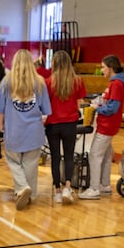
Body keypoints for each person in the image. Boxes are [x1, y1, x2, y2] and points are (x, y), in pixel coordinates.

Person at [0, 49, 52, 210]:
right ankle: (30, 195)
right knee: (31, 164)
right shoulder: (40, 82)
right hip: (34, 130)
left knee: (13, 161)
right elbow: (46, 109)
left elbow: (1, 109)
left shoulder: (6, 82)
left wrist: (1, 126)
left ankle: (21, 188)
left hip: (14, 129)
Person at [79, 54, 124, 200]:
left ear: (111, 68)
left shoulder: (117, 84)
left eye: (103, 67)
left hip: (107, 126)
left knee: (95, 155)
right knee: (106, 155)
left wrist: (97, 108)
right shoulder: (115, 83)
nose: (102, 71)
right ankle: (105, 185)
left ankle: (94, 188)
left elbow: (113, 108)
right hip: (108, 125)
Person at [45, 50, 86, 204]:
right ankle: (68, 188)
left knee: (55, 157)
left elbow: (45, 104)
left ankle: (56, 190)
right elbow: (79, 103)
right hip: (70, 123)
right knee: (69, 156)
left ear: (54, 63)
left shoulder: (49, 82)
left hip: (53, 124)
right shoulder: (77, 81)